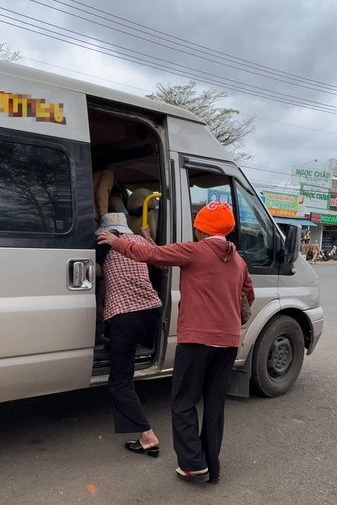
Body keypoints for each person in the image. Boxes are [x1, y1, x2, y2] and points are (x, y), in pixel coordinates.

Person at [98, 202, 255, 484]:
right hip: (229, 342)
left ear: (200, 229)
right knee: (215, 406)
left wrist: (115, 241)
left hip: (196, 340)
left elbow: (152, 255)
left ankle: (194, 465)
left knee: (184, 403)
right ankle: (212, 467)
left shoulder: (195, 251)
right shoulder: (238, 260)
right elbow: (249, 295)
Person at [94, 212, 163, 457]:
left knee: (119, 383)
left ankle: (147, 436)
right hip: (153, 311)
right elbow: (161, 261)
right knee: (127, 360)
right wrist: (148, 237)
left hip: (126, 317)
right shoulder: (141, 242)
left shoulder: (103, 242)